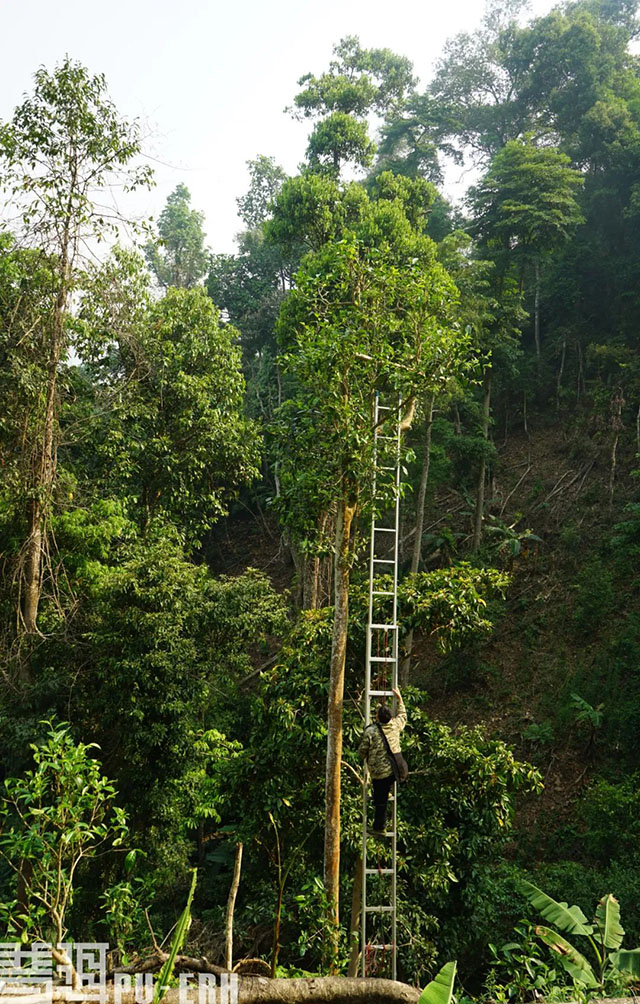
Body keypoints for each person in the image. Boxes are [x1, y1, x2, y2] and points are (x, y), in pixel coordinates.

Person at [358, 686, 407, 835]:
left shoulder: (371, 731)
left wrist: (363, 757)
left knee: (380, 803)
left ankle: (379, 828)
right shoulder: (395, 725)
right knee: (383, 791)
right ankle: (387, 793)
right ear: (390, 717)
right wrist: (399, 699)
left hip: (380, 773)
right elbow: (403, 715)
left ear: (378, 717)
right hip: (395, 771)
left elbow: (362, 750)